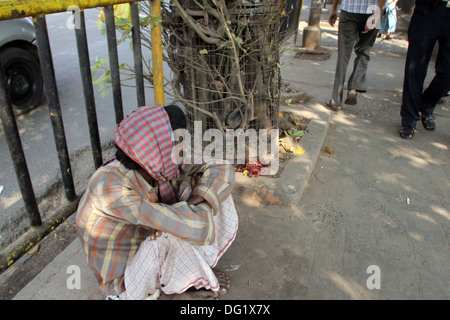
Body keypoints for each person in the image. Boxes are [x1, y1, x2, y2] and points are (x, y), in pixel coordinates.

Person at [76, 104, 238, 300]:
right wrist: (201, 201)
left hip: (146, 247)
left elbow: (221, 167)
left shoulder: (152, 164)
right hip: (126, 283)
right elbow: (194, 226)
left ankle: (194, 271)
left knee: (215, 192)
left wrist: (198, 197)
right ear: (156, 147)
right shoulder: (111, 190)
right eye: (178, 142)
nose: (183, 149)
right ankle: (167, 297)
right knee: (172, 231)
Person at [399, 0, 450, 139]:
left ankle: (426, 104)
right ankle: (409, 119)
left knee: (447, 73)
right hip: (429, 11)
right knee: (415, 68)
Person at [325, 0, 387, 111]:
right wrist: (377, 13)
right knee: (364, 51)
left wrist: (334, 9)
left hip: (349, 9)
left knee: (343, 55)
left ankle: (335, 100)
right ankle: (353, 87)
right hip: (373, 9)